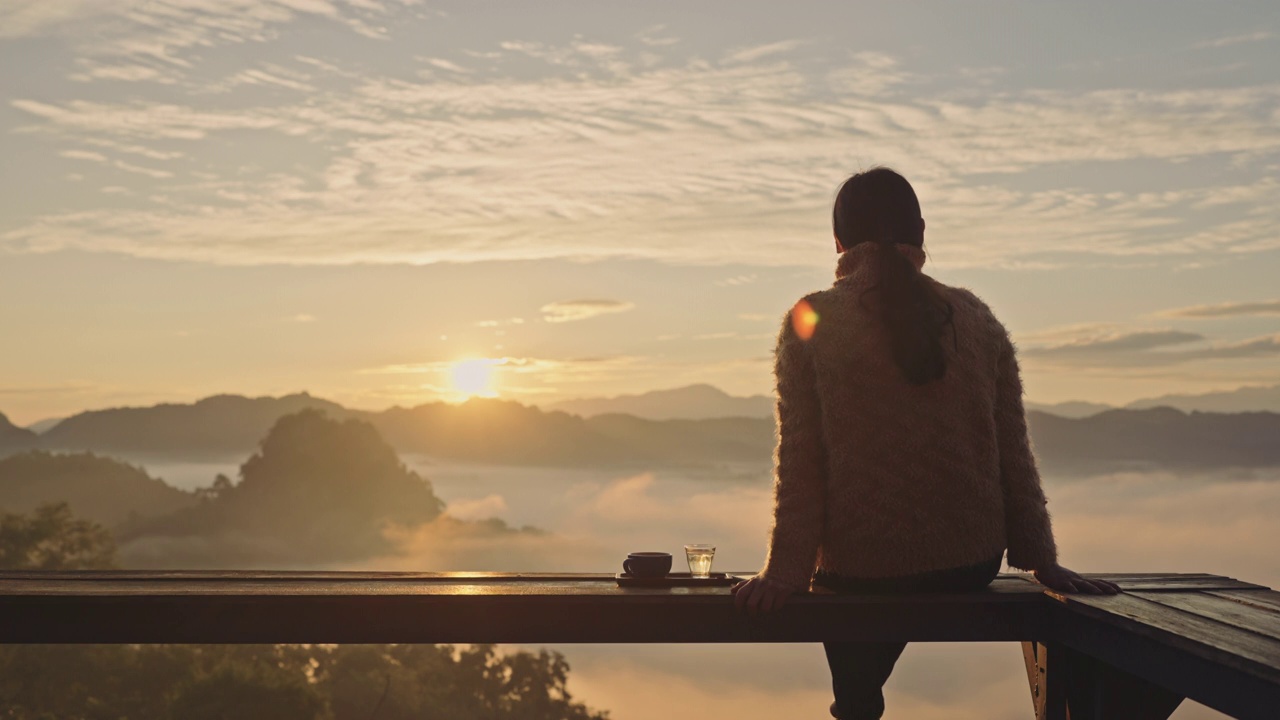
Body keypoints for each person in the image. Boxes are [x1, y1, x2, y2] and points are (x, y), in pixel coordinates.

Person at [730, 167, 1119, 720]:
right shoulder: (979, 319)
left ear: (838, 244)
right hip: (970, 561)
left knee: (856, 695)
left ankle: (857, 705)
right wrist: (1042, 561)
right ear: (921, 237)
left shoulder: (814, 320)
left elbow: (801, 463)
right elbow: (1013, 450)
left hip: (861, 569)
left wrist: (784, 574)